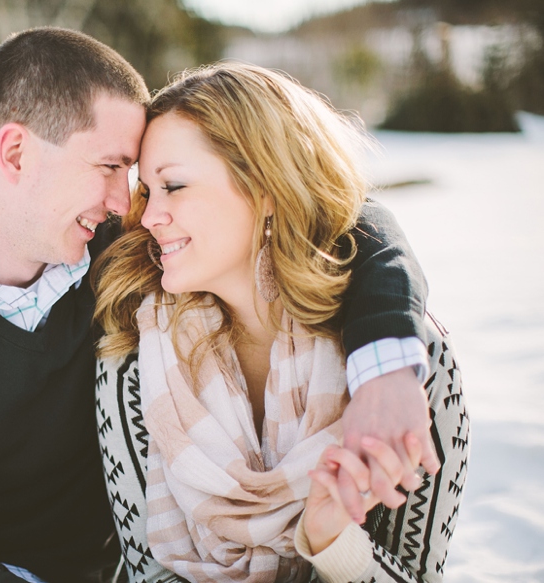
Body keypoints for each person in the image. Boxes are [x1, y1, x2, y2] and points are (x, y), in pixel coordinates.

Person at [0, 28, 437, 583]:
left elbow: (342, 221)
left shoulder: (120, 253)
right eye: (110, 167)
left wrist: (385, 362)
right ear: (15, 153)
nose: (124, 201)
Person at [92, 63, 469, 582]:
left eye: (174, 186)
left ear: (267, 189)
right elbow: (146, 571)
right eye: (147, 192)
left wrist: (334, 543)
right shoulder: (134, 362)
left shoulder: (407, 371)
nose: (149, 216)